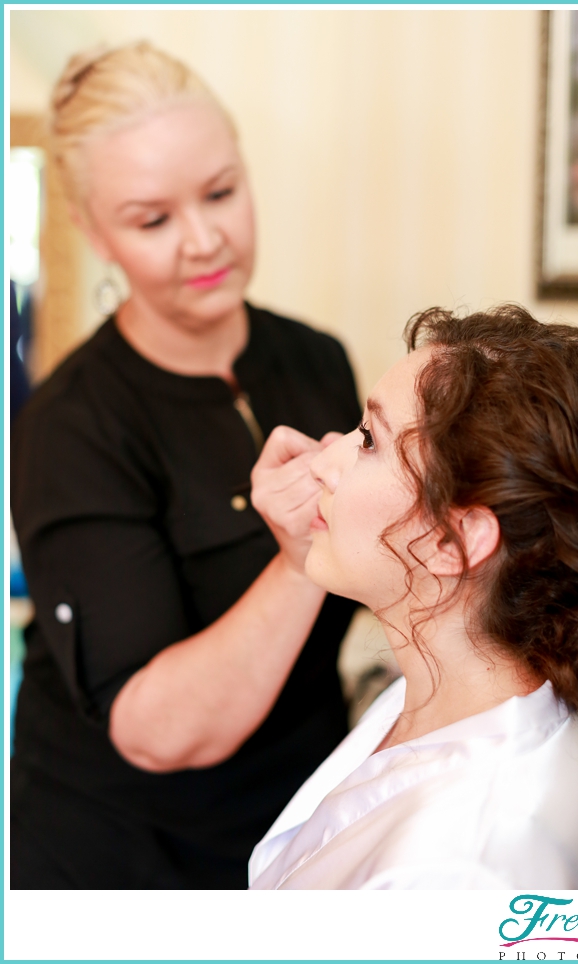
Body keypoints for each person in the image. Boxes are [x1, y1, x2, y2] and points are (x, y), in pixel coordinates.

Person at [11, 41, 362, 887]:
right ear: (93, 232)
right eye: (152, 219)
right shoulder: (73, 426)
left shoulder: (314, 361)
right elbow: (155, 730)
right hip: (125, 853)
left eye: (221, 193)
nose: (204, 240)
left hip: (303, 813)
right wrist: (298, 556)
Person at [248, 305, 578, 889]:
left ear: (452, 541)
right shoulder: (437, 690)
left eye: (366, 440)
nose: (322, 459)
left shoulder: (462, 867)